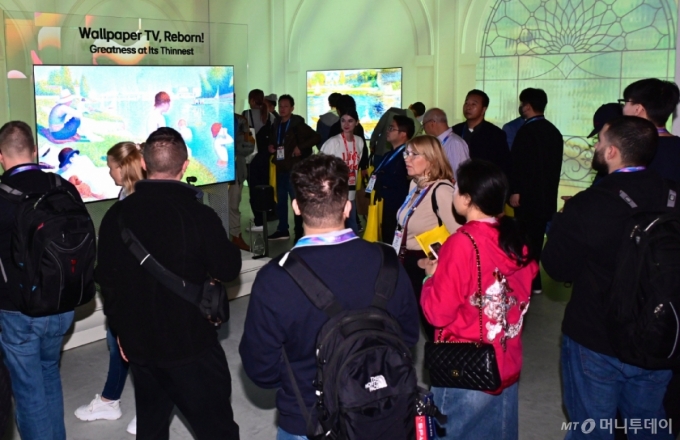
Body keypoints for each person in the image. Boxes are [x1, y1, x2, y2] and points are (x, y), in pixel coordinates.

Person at [239, 154, 420, 439]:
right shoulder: (388, 262)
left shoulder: (274, 278)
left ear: (296, 207)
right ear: (347, 207)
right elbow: (408, 337)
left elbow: (261, 370)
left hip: (308, 419)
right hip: (385, 413)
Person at [95, 130, 242, 439]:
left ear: (144, 164)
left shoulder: (115, 216)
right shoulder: (200, 215)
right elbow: (228, 268)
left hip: (140, 347)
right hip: (192, 346)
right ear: (185, 166)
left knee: (151, 428)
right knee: (217, 430)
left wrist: (121, 331)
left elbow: (107, 282)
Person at [542, 116, 676, 439]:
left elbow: (557, 267)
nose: (596, 147)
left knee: (592, 427)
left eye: (600, 142)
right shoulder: (672, 193)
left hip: (596, 337)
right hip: (660, 334)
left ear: (613, 151)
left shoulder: (591, 203)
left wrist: (562, 225)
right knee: (649, 425)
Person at [421, 159, 538, 440]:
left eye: (457, 188)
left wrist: (431, 279)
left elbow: (438, 313)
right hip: (505, 359)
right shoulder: (516, 238)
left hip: (466, 367)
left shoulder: (463, 242)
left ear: (467, 199)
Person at [0, 121, 86, 440]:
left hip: (17, 312)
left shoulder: (2, 197)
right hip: (62, 303)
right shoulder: (63, 186)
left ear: (0, 156)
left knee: (28, 391)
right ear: (34, 151)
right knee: (49, 373)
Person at [74, 141, 144, 435]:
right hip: (125, 292)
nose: (109, 172)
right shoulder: (126, 197)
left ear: (123, 168)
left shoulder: (136, 204)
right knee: (117, 344)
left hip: (136, 293)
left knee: (137, 350)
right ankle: (109, 399)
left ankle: (147, 410)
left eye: (111, 167)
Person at [396, 135, 460, 339]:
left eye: (414, 154)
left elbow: (459, 236)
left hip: (425, 266)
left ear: (431, 159)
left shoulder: (441, 190)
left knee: (433, 329)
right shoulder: (415, 185)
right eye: (406, 153)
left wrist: (437, 262)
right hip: (406, 261)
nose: (407, 159)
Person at [508, 88, 563, 294]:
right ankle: (535, 281)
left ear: (527, 106)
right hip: (545, 197)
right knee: (537, 239)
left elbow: (519, 166)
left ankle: (527, 282)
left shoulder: (526, 131)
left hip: (527, 198)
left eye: (523, 104)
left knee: (524, 240)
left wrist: (515, 191)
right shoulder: (553, 131)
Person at [267, 94, 321, 242]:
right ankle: (282, 229)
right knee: (280, 201)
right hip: (280, 167)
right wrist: (271, 146)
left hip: (294, 169)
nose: (282, 109)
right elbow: (274, 140)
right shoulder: (276, 123)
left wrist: (300, 147)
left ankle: (299, 231)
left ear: (292, 108)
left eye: (286, 106)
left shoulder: (297, 124)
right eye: (280, 106)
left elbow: (316, 137)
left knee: (296, 201)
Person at [621, 78, 680, 184]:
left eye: (625, 102)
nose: (623, 108)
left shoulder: (629, 148)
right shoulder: (676, 147)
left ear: (638, 109)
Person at [320, 108, 364, 234]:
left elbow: (356, 165)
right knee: (335, 228)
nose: (346, 124)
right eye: (343, 120)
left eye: (350, 121)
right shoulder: (333, 142)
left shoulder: (359, 141)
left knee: (352, 226)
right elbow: (320, 166)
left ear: (357, 122)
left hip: (350, 190)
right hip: (334, 192)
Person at [372, 114, 413, 243]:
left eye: (392, 128)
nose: (387, 131)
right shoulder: (388, 154)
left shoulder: (408, 156)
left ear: (403, 134)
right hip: (384, 205)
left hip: (397, 206)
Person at [452, 89, 511, 178]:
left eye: (473, 104)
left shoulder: (495, 134)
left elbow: (503, 166)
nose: (468, 107)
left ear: (483, 109)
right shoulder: (455, 130)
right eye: (466, 103)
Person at [244, 89, 276, 231]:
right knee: (266, 187)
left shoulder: (246, 115)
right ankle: (265, 217)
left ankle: (258, 221)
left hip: (252, 158)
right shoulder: (270, 116)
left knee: (254, 189)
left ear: (251, 100)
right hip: (266, 158)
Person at [230, 112, 255, 250]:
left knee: (234, 204)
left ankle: (236, 236)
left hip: (236, 171)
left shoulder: (240, 120)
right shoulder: (212, 116)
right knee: (216, 206)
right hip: (216, 173)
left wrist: (234, 146)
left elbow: (249, 146)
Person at [422, 108, 469, 179]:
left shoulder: (455, 143)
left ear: (432, 123)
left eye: (424, 125)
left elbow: (459, 175)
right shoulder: (439, 142)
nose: (424, 129)